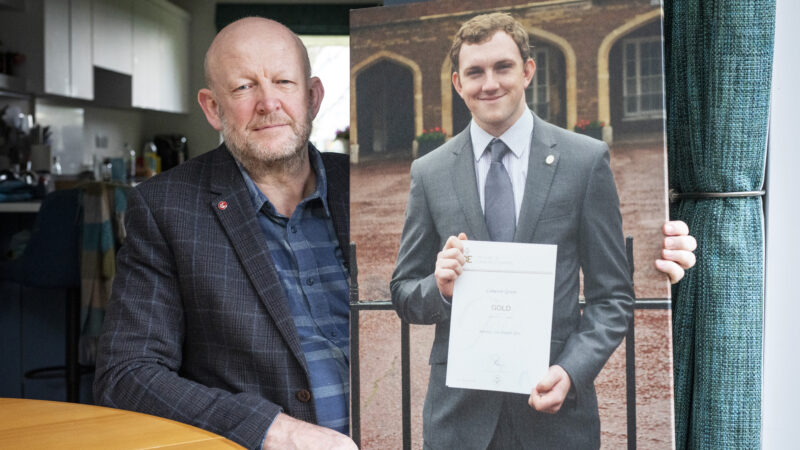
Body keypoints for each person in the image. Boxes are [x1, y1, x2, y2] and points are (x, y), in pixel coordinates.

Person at [390, 12, 695, 449]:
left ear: (528, 71)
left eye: (503, 67)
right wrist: (438, 288)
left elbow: (613, 297)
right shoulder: (430, 171)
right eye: (475, 72)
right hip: (458, 422)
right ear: (458, 83)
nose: (489, 83)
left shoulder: (584, 161)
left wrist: (571, 370)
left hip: (556, 418)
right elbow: (402, 292)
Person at [94, 18, 356, 450]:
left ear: (312, 97)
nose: (268, 102)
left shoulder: (374, 187)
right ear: (213, 108)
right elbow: (127, 375)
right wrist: (277, 431)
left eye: (284, 82)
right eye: (243, 88)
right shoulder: (165, 207)